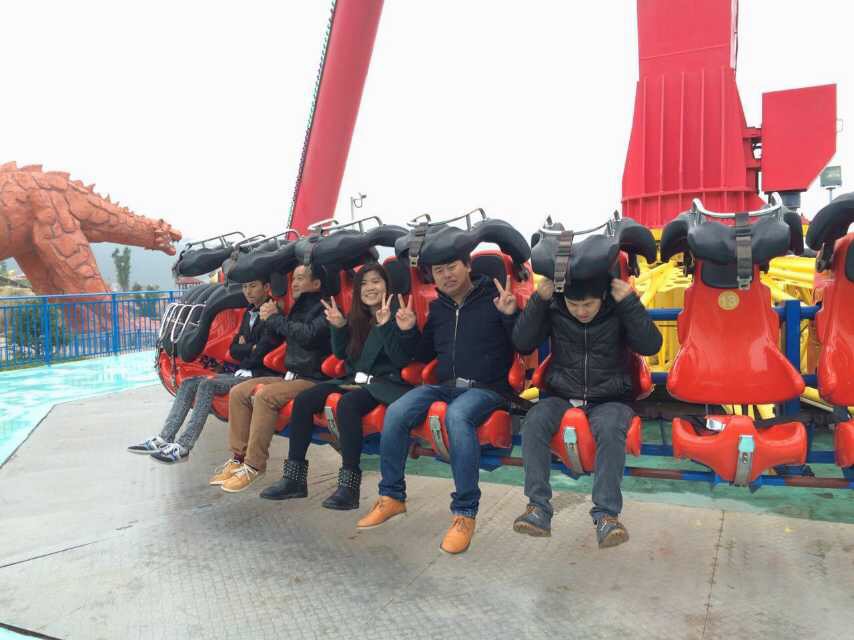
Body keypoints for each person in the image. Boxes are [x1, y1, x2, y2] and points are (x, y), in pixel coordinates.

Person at [356, 254, 519, 555]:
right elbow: (421, 354)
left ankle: (465, 513)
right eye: (439, 270)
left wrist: (510, 316)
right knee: (397, 411)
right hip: (445, 386)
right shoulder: (439, 308)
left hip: (488, 388)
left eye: (451, 267)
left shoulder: (494, 299)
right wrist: (407, 330)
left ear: (467, 266)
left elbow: (523, 345)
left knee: (457, 416)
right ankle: (391, 496)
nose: (446, 275)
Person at [511, 274, 662, 548]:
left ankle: (606, 515)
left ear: (601, 297)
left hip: (609, 397)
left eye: (588, 305)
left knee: (610, 428)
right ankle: (538, 508)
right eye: (574, 305)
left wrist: (630, 303)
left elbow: (651, 345)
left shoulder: (619, 309)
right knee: (534, 420)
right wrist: (538, 301)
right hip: (562, 393)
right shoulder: (555, 309)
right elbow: (522, 343)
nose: (581, 312)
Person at [272, 263, 418, 509]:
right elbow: (343, 355)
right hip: (354, 381)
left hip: (385, 385)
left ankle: (349, 487)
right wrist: (339, 327)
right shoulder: (359, 318)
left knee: (348, 404)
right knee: (305, 399)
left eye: (376, 281)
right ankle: (294, 478)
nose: (370, 288)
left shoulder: (400, 314)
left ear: (387, 286)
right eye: (364, 284)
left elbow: (402, 360)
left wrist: (386, 327)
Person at [128, 278, 280, 463]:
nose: (248, 291)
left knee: (208, 385)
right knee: (189, 383)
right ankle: (164, 437)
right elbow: (234, 350)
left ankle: (184, 446)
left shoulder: (273, 314)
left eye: (253, 286)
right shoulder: (249, 313)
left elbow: (263, 350)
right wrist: (249, 348)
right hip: (241, 371)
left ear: (266, 287)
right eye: (245, 286)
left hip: (258, 375)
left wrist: (245, 348)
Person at [212, 264, 331, 493]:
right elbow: (288, 331)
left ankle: (254, 465)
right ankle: (238, 458)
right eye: (293, 279)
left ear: (316, 284)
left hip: (312, 378)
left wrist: (276, 319)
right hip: (290, 376)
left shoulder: (324, 308)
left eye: (301, 278)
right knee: (239, 392)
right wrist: (278, 319)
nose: (294, 283)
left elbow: (307, 336)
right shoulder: (297, 308)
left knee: (265, 396)